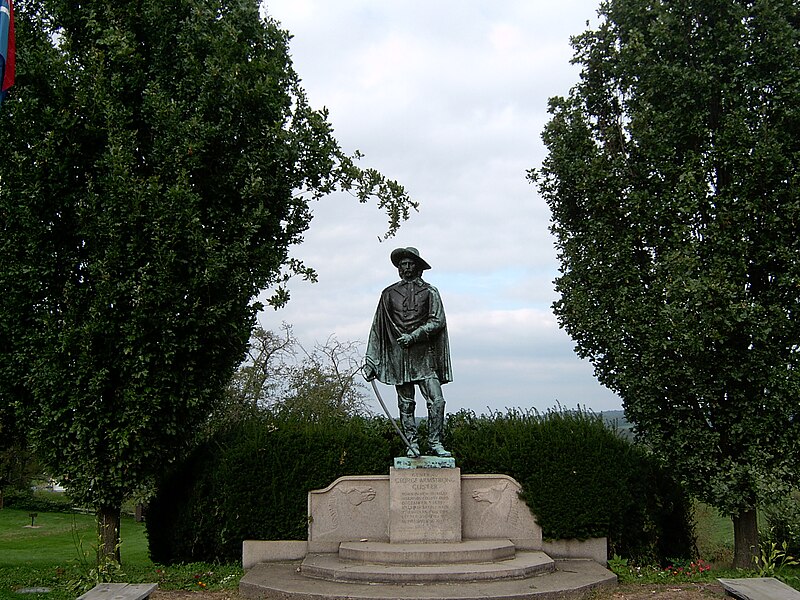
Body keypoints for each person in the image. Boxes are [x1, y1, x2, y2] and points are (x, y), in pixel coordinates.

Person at [364, 247, 453, 458]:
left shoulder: (430, 292)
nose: (405, 267)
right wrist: (371, 361)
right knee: (406, 403)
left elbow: (438, 320)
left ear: (418, 267)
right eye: (402, 264)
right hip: (398, 357)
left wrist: (415, 335)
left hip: (424, 356)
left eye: (410, 263)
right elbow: (378, 328)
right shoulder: (388, 294)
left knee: (437, 400)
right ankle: (411, 444)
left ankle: (435, 442)